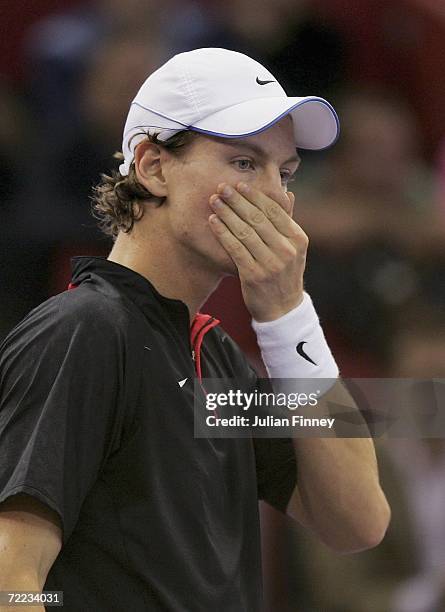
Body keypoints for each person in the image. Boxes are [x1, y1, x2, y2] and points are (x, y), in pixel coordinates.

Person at [0, 48, 390, 611]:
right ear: (153, 166)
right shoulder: (84, 330)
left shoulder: (216, 356)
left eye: (285, 174)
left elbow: (358, 521)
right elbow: (13, 570)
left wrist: (290, 317)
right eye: (243, 163)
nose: (275, 198)